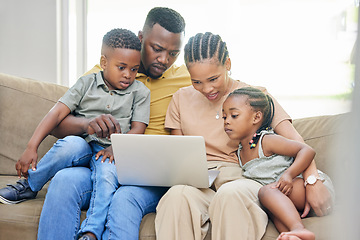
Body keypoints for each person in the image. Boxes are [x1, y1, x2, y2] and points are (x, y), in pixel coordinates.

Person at [155, 32, 334, 240]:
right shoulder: (180, 99)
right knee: (176, 197)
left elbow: (295, 141)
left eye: (213, 79)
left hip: (243, 178)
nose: (207, 89)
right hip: (201, 180)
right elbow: (180, 155)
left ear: (228, 64)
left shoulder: (254, 97)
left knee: (231, 194)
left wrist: (312, 181)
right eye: (197, 82)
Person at [36, 7, 189, 240]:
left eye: (173, 54)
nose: (164, 59)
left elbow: (234, 90)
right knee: (64, 180)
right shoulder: (104, 73)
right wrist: (87, 123)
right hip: (103, 164)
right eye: (156, 49)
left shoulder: (187, 78)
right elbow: (57, 125)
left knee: (123, 199)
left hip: (148, 177)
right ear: (140, 38)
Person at [0, 28, 150, 240]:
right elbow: (56, 113)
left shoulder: (140, 92)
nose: (128, 74)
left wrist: (117, 147)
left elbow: (138, 129)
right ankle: (30, 185)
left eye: (134, 69)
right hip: (81, 145)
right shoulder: (86, 83)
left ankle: (91, 232)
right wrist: (31, 146)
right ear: (104, 62)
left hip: (108, 152)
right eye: (122, 67)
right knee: (70, 144)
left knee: (107, 176)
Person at [222, 87, 334, 240]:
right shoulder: (240, 152)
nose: (227, 121)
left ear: (256, 117)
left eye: (234, 115)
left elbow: (306, 150)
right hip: (286, 196)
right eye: (224, 117)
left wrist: (289, 175)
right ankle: (292, 235)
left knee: (267, 192)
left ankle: (298, 228)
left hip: (311, 187)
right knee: (271, 207)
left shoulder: (266, 140)